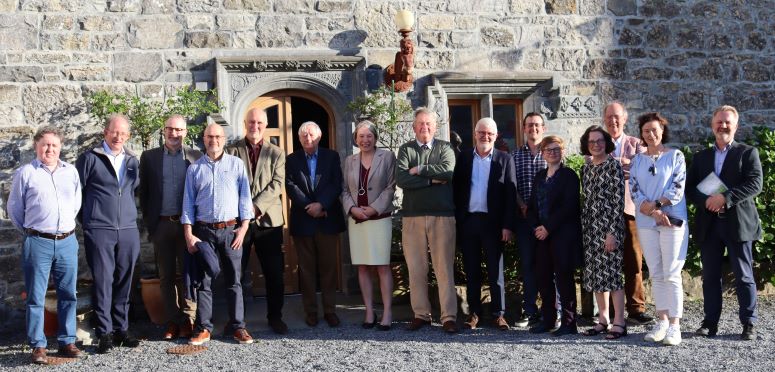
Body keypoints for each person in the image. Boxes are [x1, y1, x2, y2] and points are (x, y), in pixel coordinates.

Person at [687, 105, 762, 341]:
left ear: (736, 126)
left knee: (744, 275)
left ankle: (749, 322)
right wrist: (707, 200)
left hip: (738, 223)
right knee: (709, 277)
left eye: (728, 122)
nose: (723, 126)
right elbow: (689, 189)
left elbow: (754, 184)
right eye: (719, 122)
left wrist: (725, 198)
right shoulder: (701, 157)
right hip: (710, 224)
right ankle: (710, 323)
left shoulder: (748, 153)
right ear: (712, 125)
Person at [8, 127, 83, 364]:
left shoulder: (70, 172)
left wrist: (62, 228)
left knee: (68, 294)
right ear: (36, 146)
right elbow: (14, 210)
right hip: (37, 241)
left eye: (54, 145)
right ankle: (38, 345)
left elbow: (76, 204)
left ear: (60, 147)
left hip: (67, 242)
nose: (50, 149)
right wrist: (33, 232)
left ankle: (67, 341)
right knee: (35, 296)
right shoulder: (26, 173)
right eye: (45, 145)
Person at [182, 124, 255, 346]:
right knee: (204, 282)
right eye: (209, 136)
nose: (214, 140)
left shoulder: (236, 165)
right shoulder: (194, 169)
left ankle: (238, 327)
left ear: (224, 139)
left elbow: (245, 199)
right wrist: (188, 234)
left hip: (231, 231)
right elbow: (187, 204)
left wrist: (243, 228)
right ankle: (204, 328)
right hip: (203, 231)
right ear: (203, 139)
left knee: (234, 280)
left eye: (217, 136)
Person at [76, 114, 141, 354]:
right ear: (105, 132)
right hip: (99, 230)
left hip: (127, 230)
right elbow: (77, 194)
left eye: (123, 134)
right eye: (114, 132)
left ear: (128, 136)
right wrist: (89, 222)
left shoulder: (133, 161)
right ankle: (104, 333)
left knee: (125, 280)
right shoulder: (89, 159)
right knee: (103, 281)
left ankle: (121, 329)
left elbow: (133, 191)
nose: (118, 137)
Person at [225, 108, 288, 335]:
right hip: (238, 222)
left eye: (259, 122)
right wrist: (243, 210)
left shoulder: (277, 153)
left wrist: (255, 206)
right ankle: (235, 321)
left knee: (273, 273)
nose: (255, 126)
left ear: (266, 124)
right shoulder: (231, 151)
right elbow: (227, 183)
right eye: (251, 122)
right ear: (245, 123)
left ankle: (275, 317)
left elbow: (277, 184)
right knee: (236, 273)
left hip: (268, 222)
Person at [396, 107, 458, 334]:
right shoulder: (406, 149)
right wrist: (431, 181)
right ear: (413, 127)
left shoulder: (445, 148)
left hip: (442, 216)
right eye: (420, 124)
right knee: (416, 269)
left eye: (428, 124)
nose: (424, 127)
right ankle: (421, 314)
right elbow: (402, 179)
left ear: (435, 127)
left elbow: (448, 172)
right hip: (413, 217)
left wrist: (420, 170)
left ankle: (449, 316)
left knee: (444, 269)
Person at [139, 115, 201, 340]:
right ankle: (173, 321)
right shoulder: (149, 157)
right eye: (170, 129)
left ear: (185, 132)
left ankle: (189, 320)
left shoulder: (196, 156)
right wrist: (151, 225)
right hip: (162, 225)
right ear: (163, 131)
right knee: (165, 277)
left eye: (179, 130)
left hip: (187, 227)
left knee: (188, 275)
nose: (174, 134)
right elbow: (143, 193)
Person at [453, 118, 518, 331]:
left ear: (496, 136)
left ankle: (498, 314)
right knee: (471, 271)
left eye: (490, 133)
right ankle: (474, 313)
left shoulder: (505, 159)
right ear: (475, 133)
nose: (485, 136)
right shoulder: (463, 158)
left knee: (495, 271)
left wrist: (507, 225)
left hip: (494, 224)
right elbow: (456, 191)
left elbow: (511, 195)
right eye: (481, 132)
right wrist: (458, 220)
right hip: (469, 221)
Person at [629, 112, 688, 346]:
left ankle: (675, 325)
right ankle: (662, 320)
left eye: (655, 130)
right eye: (646, 131)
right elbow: (634, 190)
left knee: (672, 272)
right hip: (646, 222)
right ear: (641, 135)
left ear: (662, 130)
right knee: (655, 271)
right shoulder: (638, 161)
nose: (651, 134)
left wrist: (659, 207)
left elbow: (677, 187)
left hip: (671, 220)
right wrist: (653, 212)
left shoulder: (676, 156)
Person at [285, 121, 346, 328]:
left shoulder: (332, 156)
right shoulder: (292, 159)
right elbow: (290, 186)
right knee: (306, 270)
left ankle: (330, 311)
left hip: (327, 219)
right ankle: (310, 312)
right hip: (303, 221)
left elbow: (336, 183)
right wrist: (309, 206)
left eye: (310, 135)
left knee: (329, 269)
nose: (307, 138)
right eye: (303, 135)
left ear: (319, 137)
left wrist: (321, 204)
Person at [341, 120, 396, 331]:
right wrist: (352, 209)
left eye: (369, 136)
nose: (365, 140)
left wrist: (373, 208)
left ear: (375, 137)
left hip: (379, 218)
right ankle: (369, 311)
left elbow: (391, 187)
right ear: (356, 139)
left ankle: (388, 312)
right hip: (357, 220)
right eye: (361, 136)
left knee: (382, 265)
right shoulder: (349, 160)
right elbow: (344, 190)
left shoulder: (387, 156)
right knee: (363, 266)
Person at [603, 102, 653, 325]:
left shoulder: (636, 143)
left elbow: (643, 167)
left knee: (633, 260)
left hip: (630, 209)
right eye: (609, 117)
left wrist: (622, 163)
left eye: (617, 117)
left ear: (624, 119)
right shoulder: (599, 142)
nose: (613, 121)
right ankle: (610, 311)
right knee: (606, 260)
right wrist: (622, 165)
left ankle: (636, 308)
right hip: (604, 211)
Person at [527, 135, 582, 336]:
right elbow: (531, 206)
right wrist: (536, 227)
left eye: (556, 149)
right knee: (543, 277)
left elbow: (569, 207)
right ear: (542, 153)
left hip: (562, 235)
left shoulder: (569, 176)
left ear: (562, 151)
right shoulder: (540, 176)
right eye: (548, 149)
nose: (552, 152)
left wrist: (548, 227)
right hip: (541, 236)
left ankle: (569, 322)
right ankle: (548, 319)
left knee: (564, 277)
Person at [579, 125, 627, 339]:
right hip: (590, 228)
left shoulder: (613, 167)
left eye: (599, 141)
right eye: (591, 142)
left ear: (606, 142)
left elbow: (617, 202)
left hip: (609, 227)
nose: (596, 145)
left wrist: (612, 233)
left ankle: (619, 322)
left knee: (613, 275)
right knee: (597, 275)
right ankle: (603, 320)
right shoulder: (586, 169)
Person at [511, 112, 547, 328]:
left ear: (543, 128)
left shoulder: (551, 153)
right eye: (529, 125)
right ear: (524, 129)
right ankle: (530, 310)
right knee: (528, 265)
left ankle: (551, 309)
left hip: (547, 222)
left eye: (537, 125)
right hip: (524, 220)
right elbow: (512, 186)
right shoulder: (515, 156)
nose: (533, 128)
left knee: (548, 265)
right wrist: (522, 205)